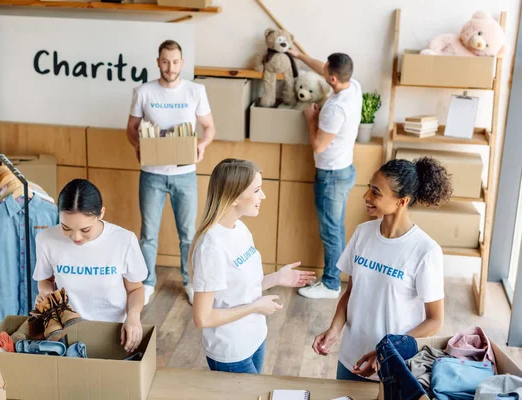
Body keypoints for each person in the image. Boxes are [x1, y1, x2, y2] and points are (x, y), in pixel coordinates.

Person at [311, 157, 453, 382]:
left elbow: (434, 321)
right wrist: (334, 330)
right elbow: (351, 292)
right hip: (351, 358)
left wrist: (388, 350)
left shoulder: (426, 251)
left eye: (376, 192)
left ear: (402, 201)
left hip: (392, 366)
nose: (366, 196)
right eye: (369, 188)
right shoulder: (363, 233)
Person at [191, 158, 317, 374]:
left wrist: (277, 278)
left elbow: (239, 289)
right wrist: (255, 307)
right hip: (231, 351)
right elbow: (203, 318)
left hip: (255, 337)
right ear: (234, 197)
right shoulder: (210, 247)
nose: (263, 196)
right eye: (257, 190)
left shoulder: (239, 228)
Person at [126, 39, 216, 306]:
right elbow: (131, 128)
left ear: (182, 62)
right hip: (152, 173)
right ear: (158, 62)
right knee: (148, 234)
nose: (170, 66)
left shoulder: (195, 91)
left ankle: (189, 281)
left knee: (188, 234)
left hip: (185, 173)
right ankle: (148, 282)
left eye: (175, 61)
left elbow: (209, 127)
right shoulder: (143, 91)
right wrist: (137, 146)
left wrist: (202, 144)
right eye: (165, 61)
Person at [33, 179, 148, 353]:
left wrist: (133, 316)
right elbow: (46, 280)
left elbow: (135, 289)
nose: (76, 237)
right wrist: (46, 294)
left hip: (114, 332)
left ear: (101, 213)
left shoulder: (124, 240)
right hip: (68, 332)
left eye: (85, 230)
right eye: (66, 228)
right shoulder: (46, 239)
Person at [287, 50, 362, 300]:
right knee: (336, 228)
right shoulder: (354, 87)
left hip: (331, 175)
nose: (323, 69)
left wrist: (312, 119)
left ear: (332, 79)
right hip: (345, 170)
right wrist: (298, 55)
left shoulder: (335, 109)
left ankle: (331, 284)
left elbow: (319, 145)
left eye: (326, 70)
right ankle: (334, 279)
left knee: (331, 231)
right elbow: (323, 67)